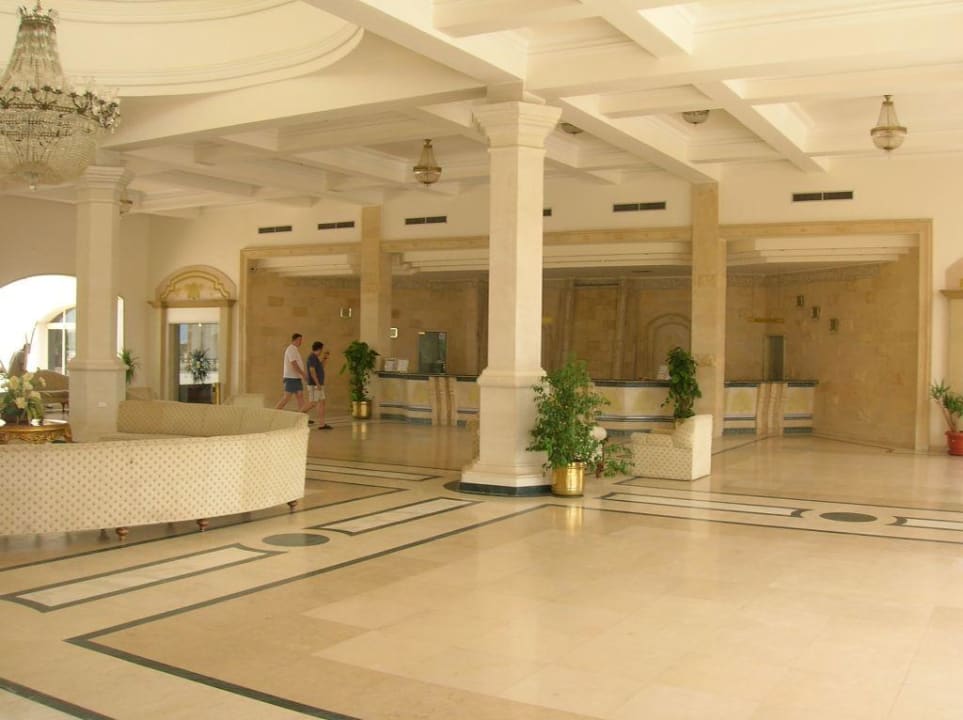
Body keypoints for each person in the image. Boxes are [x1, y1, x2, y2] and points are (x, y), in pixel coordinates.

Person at [274, 333, 313, 422]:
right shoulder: (291, 349)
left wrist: (301, 375)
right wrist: (303, 374)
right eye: (300, 340)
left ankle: (303, 418)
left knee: (300, 396)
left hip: (296, 378)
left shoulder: (294, 350)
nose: (301, 342)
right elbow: (294, 364)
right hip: (291, 378)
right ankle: (273, 414)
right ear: (295, 340)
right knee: (286, 398)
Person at [306, 341, 332, 429]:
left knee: (322, 402)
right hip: (314, 385)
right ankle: (297, 416)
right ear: (319, 349)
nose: (322, 351)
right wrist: (317, 384)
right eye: (321, 349)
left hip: (319, 384)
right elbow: (312, 371)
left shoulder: (315, 358)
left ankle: (322, 424)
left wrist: (325, 358)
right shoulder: (312, 357)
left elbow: (321, 367)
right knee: (312, 403)